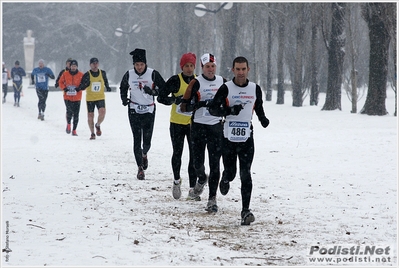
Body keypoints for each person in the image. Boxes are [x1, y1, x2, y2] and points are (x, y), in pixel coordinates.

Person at [208, 56, 270, 225]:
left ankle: (245, 211)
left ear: (248, 70)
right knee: (231, 172)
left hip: (246, 138)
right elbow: (213, 109)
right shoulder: (225, 88)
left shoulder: (255, 89)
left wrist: (263, 119)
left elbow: (258, 107)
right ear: (233, 70)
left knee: (246, 174)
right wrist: (229, 110)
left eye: (244, 69)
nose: (241, 72)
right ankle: (226, 179)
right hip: (227, 138)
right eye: (238, 69)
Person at [180, 53, 227, 212]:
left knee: (215, 164)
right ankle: (201, 178)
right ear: (202, 67)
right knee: (197, 163)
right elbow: (183, 107)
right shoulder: (196, 83)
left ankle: (212, 199)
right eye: (207, 67)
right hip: (198, 127)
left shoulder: (222, 82)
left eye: (213, 66)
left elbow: (229, 101)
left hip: (215, 128)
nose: (210, 69)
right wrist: (200, 104)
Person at [157, 52, 198, 199]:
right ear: (182, 67)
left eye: (191, 66)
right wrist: (174, 100)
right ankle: (176, 181)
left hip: (193, 124)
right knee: (177, 153)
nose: (189, 69)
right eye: (186, 66)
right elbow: (161, 97)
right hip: (176, 123)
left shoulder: (198, 81)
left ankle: (193, 188)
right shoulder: (175, 80)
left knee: (194, 156)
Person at [120, 48, 166, 180]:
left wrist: (153, 92)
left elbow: (163, 88)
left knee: (147, 141)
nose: (139, 67)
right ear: (133, 65)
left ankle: (144, 153)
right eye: (137, 65)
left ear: (145, 64)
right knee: (136, 139)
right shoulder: (128, 74)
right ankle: (140, 168)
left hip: (149, 111)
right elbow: (123, 87)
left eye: (141, 65)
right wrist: (124, 99)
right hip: (134, 110)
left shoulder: (153, 74)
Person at [77, 57, 112, 140]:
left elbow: (105, 80)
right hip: (90, 98)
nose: (95, 65)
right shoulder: (87, 75)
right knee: (90, 116)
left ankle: (98, 124)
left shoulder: (102, 73)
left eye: (96, 63)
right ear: (90, 65)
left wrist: (107, 87)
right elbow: (81, 86)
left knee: (102, 112)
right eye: (93, 64)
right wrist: (85, 85)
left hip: (100, 97)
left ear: (98, 64)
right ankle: (92, 133)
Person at [59, 60, 84, 136]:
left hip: (77, 97)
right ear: (70, 66)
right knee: (69, 111)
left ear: (77, 67)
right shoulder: (65, 74)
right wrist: (64, 88)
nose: (73, 67)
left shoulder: (81, 75)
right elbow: (60, 82)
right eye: (72, 66)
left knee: (76, 114)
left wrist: (79, 88)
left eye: (75, 66)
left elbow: (85, 83)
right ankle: (69, 124)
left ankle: (74, 130)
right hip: (67, 97)